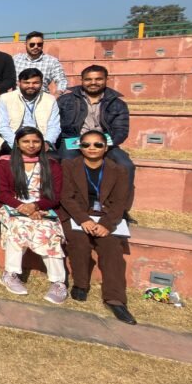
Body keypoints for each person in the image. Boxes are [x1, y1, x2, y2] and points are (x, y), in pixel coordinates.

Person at [59, 129, 136, 324]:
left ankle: (115, 299)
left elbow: (120, 202)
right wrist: (83, 219)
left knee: (112, 248)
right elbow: (66, 197)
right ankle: (80, 284)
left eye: (97, 144)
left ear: (106, 147)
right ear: (80, 147)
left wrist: (106, 224)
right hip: (76, 215)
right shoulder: (69, 165)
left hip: (105, 216)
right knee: (79, 242)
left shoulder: (119, 170)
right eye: (86, 144)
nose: (91, 148)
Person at [0, 127, 67, 303]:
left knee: (48, 231)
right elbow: (2, 193)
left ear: (42, 143)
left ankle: (58, 282)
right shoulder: (5, 163)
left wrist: (35, 206)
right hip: (12, 206)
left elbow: (54, 196)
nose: (31, 145)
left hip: (42, 207)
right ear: (17, 143)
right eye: (26, 141)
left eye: (36, 141)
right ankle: (10, 274)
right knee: (18, 227)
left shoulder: (51, 164)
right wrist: (22, 207)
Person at [56, 65, 135, 203]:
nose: (93, 83)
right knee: (66, 161)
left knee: (125, 165)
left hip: (104, 142)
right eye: (88, 79)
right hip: (73, 140)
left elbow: (121, 130)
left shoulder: (117, 104)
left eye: (98, 79)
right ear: (82, 80)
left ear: (106, 79)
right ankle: (67, 203)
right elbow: (56, 125)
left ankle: (118, 206)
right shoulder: (65, 100)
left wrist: (103, 144)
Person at [0, 68, 61, 152]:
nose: (31, 86)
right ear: (18, 83)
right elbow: (3, 126)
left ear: (41, 83)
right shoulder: (5, 98)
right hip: (13, 141)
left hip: (41, 141)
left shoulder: (50, 100)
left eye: (35, 83)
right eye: (26, 83)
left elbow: (54, 126)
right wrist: (18, 143)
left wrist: (47, 142)